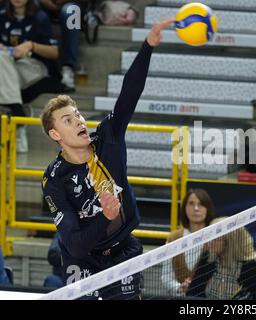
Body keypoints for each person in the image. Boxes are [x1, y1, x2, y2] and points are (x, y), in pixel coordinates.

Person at [40, 18, 175, 300]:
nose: (78, 120)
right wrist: (106, 217)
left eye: (77, 114)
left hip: (124, 249)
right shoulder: (54, 178)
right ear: (55, 134)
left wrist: (148, 46)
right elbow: (75, 245)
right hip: (83, 259)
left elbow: (129, 94)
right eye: (68, 119)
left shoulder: (108, 138)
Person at [0, 0, 61, 152]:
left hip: (33, 65)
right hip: (8, 67)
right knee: (2, 59)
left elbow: (55, 52)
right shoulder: (2, 16)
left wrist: (31, 46)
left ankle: (15, 112)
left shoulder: (40, 18)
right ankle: (18, 118)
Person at [186, 217, 256, 300]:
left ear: (230, 242)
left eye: (215, 239)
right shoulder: (207, 260)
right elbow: (192, 292)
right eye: (209, 237)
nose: (210, 242)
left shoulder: (250, 268)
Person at [161, 189, 215, 296]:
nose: (196, 208)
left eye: (201, 204)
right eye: (191, 204)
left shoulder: (216, 237)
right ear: (184, 208)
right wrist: (180, 288)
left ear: (207, 208)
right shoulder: (173, 238)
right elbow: (166, 277)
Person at [37, 0, 83, 92]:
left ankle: (68, 67)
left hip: (71, 3)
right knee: (32, 6)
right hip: (43, 2)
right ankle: (38, 62)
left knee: (72, 11)